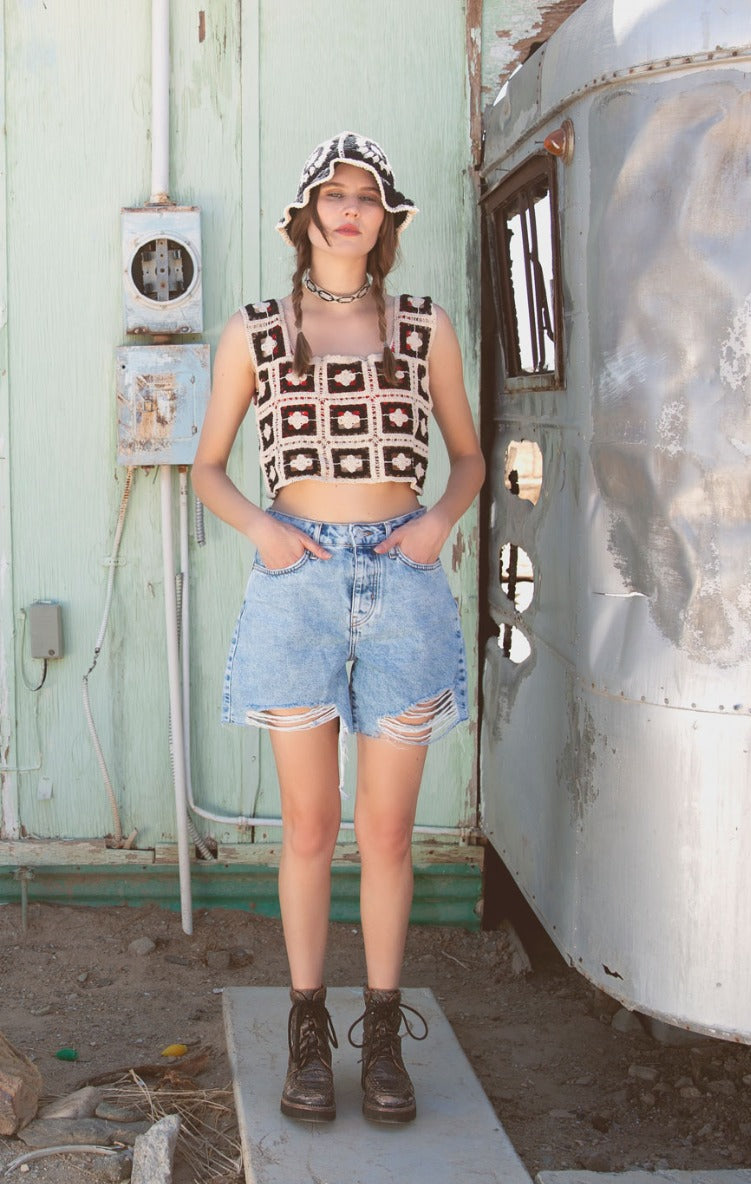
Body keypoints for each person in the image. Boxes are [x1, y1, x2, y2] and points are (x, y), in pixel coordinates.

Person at [192, 132, 484, 1125]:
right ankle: (307, 1033)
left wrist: (437, 523)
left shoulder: (423, 325)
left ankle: (386, 1035)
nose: (350, 209)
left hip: (399, 576)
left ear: (386, 219)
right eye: (333, 194)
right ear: (305, 216)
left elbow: (468, 457)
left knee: (389, 831)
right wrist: (262, 530)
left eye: (367, 197)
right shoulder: (256, 331)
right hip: (297, 580)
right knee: (312, 826)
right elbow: (207, 467)